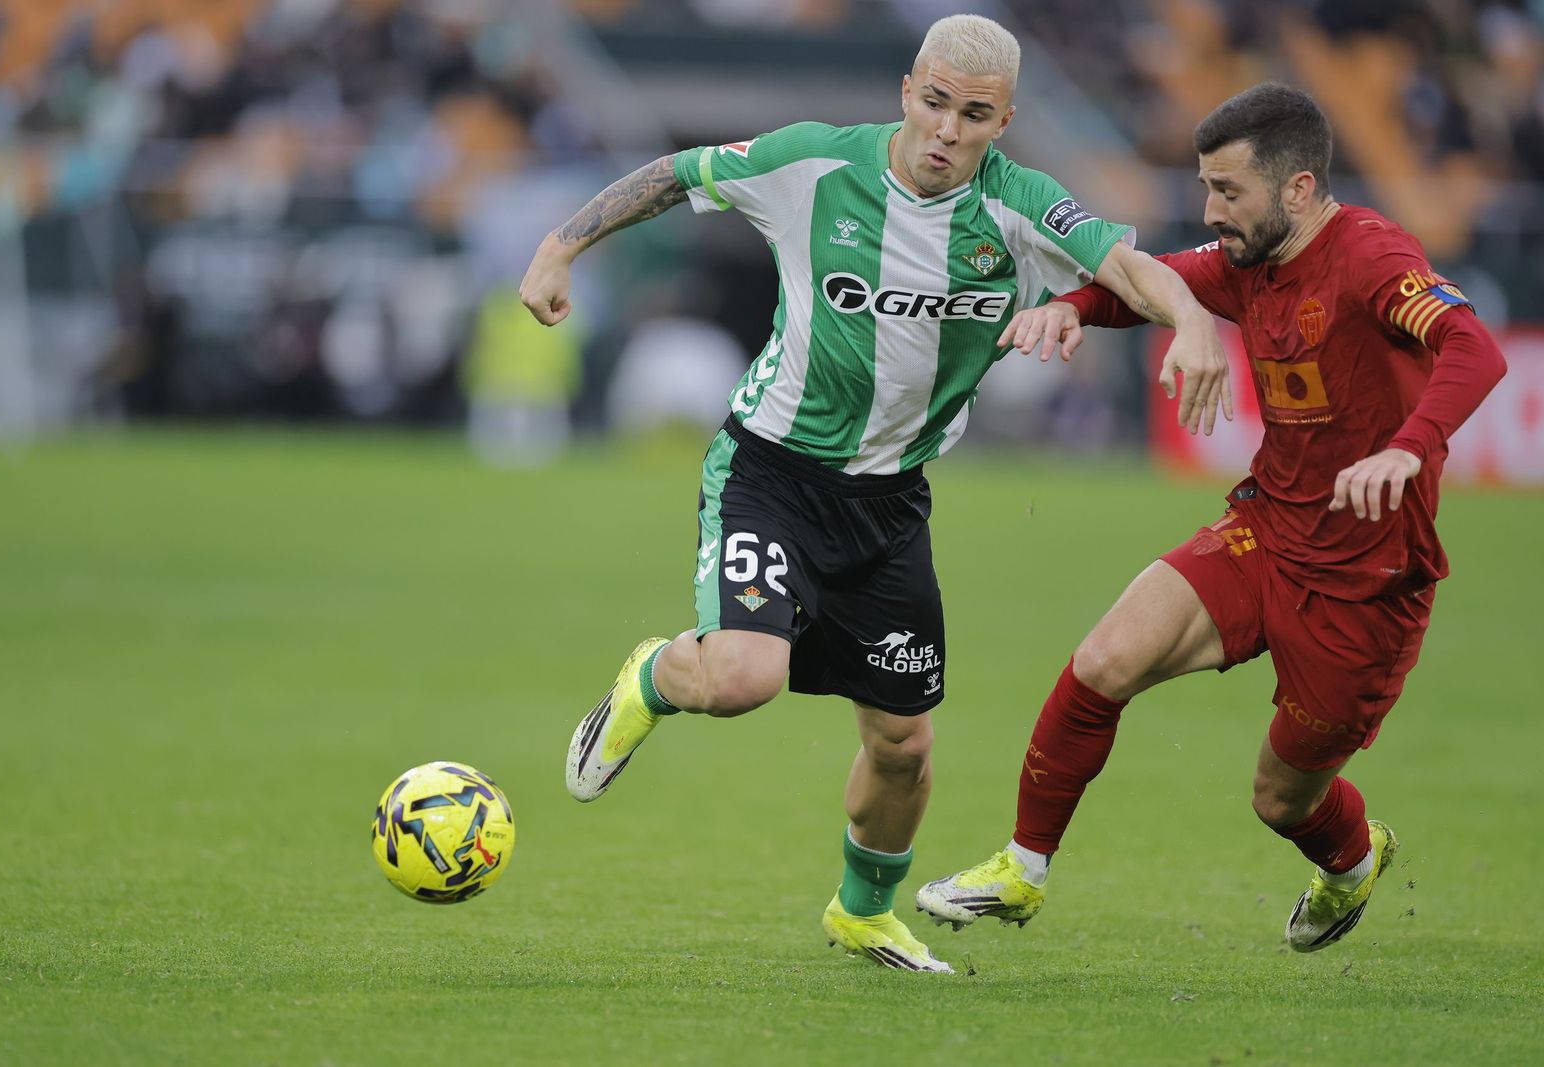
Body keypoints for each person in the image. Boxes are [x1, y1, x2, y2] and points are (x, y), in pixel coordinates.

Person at [519, 14, 1230, 973]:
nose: (947, 130)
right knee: (742, 678)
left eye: (973, 115)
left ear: (1004, 121)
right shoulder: (813, 165)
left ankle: (862, 912)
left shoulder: (1021, 206)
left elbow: (1134, 269)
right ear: (906, 91)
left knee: (903, 743)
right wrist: (559, 246)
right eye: (934, 103)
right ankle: (653, 673)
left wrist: (1189, 321)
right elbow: (677, 174)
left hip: (892, 504)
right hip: (770, 471)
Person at [916, 83, 1508, 953]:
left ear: (1298, 189)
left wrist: (1409, 447)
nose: (1210, 210)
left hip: (1366, 581)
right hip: (1265, 530)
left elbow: (1474, 347)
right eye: (1207, 188)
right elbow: (1148, 286)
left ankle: (1353, 858)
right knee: (1105, 658)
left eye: (1229, 192)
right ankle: (1021, 867)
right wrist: (1068, 307)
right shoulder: (1246, 261)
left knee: (1281, 798)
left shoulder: (1372, 257)